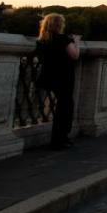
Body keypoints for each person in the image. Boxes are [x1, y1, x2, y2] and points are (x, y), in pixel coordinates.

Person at [36, 13, 80, 150]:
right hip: (64, 77)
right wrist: (76, 42)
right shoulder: (63, 39)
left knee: (60, 107)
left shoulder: (41, 41)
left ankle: (58, 138)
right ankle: (60, 139)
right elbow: (75, 55)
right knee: (65, 108)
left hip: (48, 76)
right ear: (60, 25)